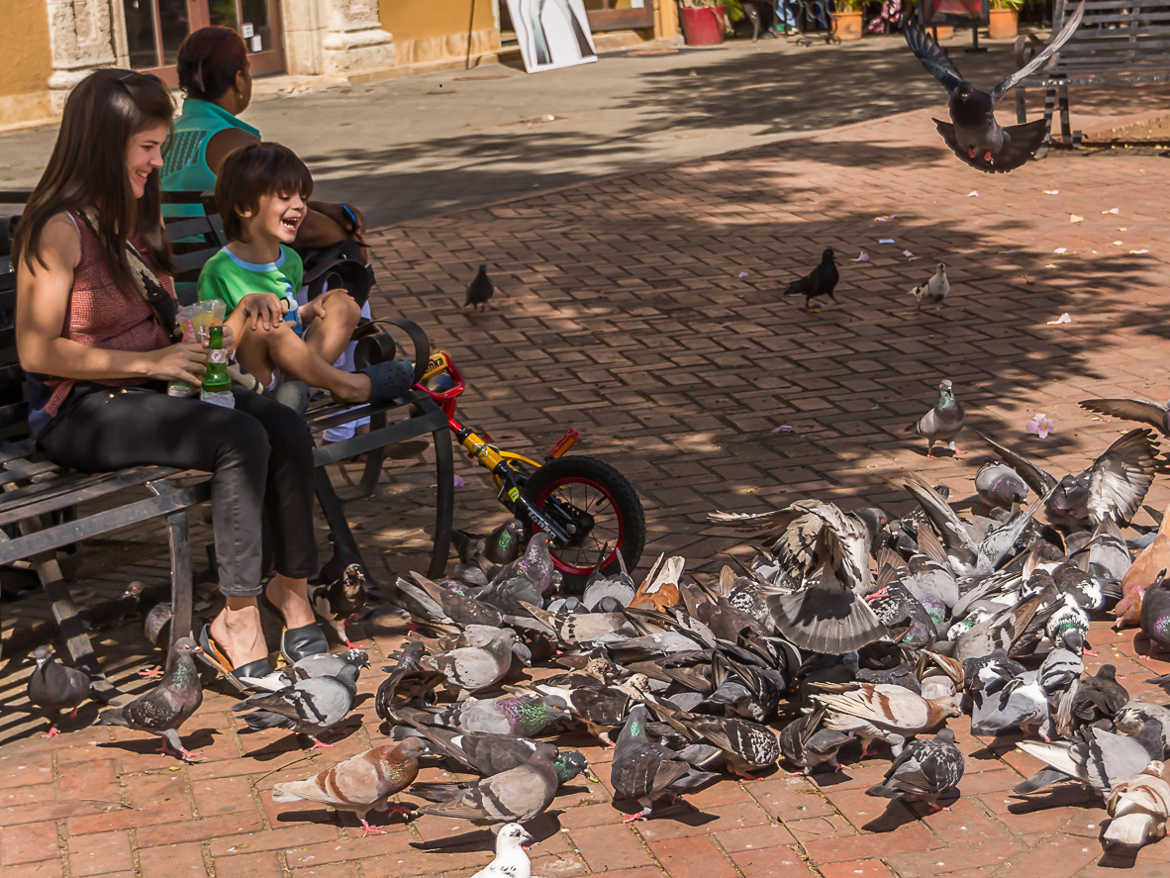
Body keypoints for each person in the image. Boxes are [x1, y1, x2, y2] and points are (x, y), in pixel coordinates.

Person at [13, 68, 330, 688]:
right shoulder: (57, 226)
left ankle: (291, 589)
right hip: (82, 410)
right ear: (106, 142)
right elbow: (34, 351)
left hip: (147, 391)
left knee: (281, 425)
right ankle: (236, 619)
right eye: (148, 148)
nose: (159, 163)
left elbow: (147, 323)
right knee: (236, 438)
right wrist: (149, 362)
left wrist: (183, 337)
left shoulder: (124, 218)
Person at [199, 141, 411, 404]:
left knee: (343, 305)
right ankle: (347, 386)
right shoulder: (219, 270)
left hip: (292, 367)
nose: (300, 206)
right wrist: (246, 313)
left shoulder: (291, 261)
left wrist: (306, 311)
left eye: (303, 198)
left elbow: (289, 318)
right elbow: (213, 346)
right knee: (268, 327)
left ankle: (300, 386)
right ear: (245, 208)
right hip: (253, 375)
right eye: (286, 197)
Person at [161, 25, 362, 247]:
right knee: (345, 250)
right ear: (239, 79)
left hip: (171, 275)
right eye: (247, 70)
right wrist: (346, 235)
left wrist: (320, 208)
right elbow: (297, 224)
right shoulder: (235, 143)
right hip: (231, 274)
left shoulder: (161, 138)